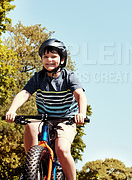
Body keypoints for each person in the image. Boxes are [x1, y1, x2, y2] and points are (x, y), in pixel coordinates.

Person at [5, 38, 87, 180]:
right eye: (45, 57)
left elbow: (80, 94)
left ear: (62, 60)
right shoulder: (38, 77)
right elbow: (24, 93)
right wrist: (12, 110)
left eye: (53, 56)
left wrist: (81, 113)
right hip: (44, 118)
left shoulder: (69, 76)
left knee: (61, 149)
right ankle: (33, 167)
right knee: (30, 125)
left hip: (65, 120)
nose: (49, 60)